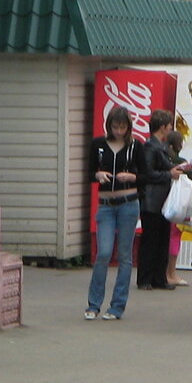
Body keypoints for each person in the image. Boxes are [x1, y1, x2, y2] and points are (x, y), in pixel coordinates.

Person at [85, 106, 142, 320]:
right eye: (115, 127)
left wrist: (133, 177)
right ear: (109, 126)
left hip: (128, 202)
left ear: (128, 128)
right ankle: (93, 304)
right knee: (104, 252)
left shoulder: (136, 146)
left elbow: (144, 174)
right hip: (106, 205)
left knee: (125, 255)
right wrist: (98, 174)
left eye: (122, 127)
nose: (119, 131)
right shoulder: (98, 144)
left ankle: (117, 306)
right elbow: (90, 172)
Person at [137, 109, 186, 291]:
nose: (170, 129)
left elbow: (163, 167)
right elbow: (147, 173)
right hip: (152, 201)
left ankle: (159, 277)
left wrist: (177, 168)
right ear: (163, 127)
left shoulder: (160, 146)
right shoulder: (150, 147)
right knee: (151, 240)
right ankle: (145, 278)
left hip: (162, 201)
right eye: (169, 126)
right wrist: (169, 174)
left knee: (162, 240)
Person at [164, 129, 192, 287]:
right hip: (178, 206)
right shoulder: (180, 161)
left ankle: (166, 273)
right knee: (174, 239)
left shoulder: (163, 158)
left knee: (166, 239)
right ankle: (171, 273)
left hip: (165, 204)